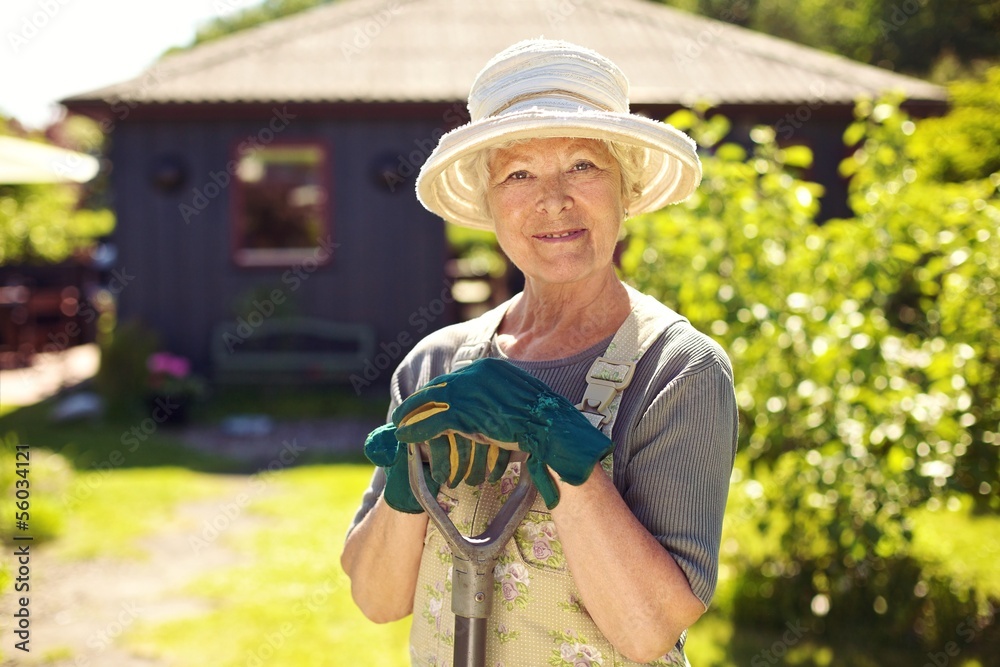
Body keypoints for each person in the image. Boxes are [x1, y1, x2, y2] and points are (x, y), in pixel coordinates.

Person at [341, 39, 738, 666]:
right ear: (489, 203)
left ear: (627, 189)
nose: (553, 200)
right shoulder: (434, 365)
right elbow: (377, 598)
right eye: (518, 174)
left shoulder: (677, 370)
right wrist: (403, 487)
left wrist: (561, 446)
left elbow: (647, 631)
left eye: (583, 165)